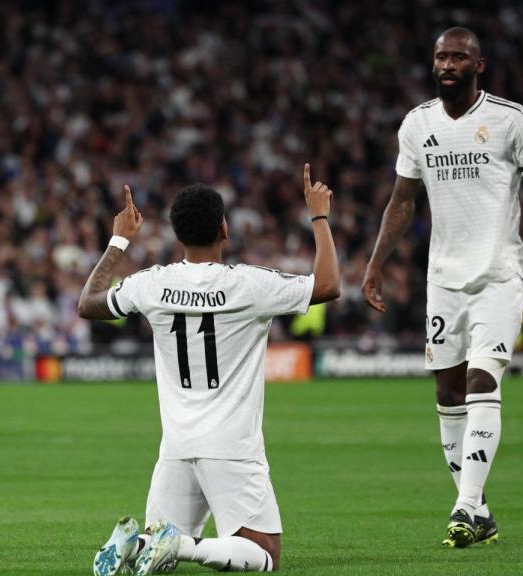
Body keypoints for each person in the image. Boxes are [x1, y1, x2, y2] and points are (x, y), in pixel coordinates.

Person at [361, 27, 523, 549]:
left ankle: (463, 505)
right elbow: (401, 201)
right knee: (446, 391)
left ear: (478, 66)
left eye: (459, 57)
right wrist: (375, 262)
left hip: (498, 276)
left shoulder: (510, 119)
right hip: (443, 280)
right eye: (441, 55)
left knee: (483, 380)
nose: (447, 64)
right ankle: (479, 510)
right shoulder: (417, 125)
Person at [79, 168, 339, 575]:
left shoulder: (152, 284)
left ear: (177, 235)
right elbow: (327, 285)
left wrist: (120, 240)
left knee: (152, 555)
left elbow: (89, 301)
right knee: (264, 554)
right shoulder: (250, 285)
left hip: (177, 444)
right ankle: (178, 543)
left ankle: (138, 545)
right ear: (224, 229)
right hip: (231, 446)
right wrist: (319, 216)